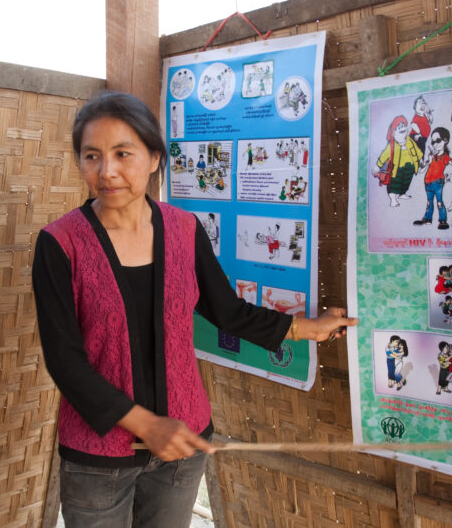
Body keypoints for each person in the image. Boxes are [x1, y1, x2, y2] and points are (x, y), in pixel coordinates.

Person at [31, 92, 358, 528]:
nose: (106, 171)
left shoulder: (184, 230)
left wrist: (308, 329)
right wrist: (147, 425)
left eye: (122, 153)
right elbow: (65, 361)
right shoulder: (59, 244)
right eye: (92, 156)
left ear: (153, 158)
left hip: (182, 451)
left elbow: (227, 312)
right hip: (98, 461)